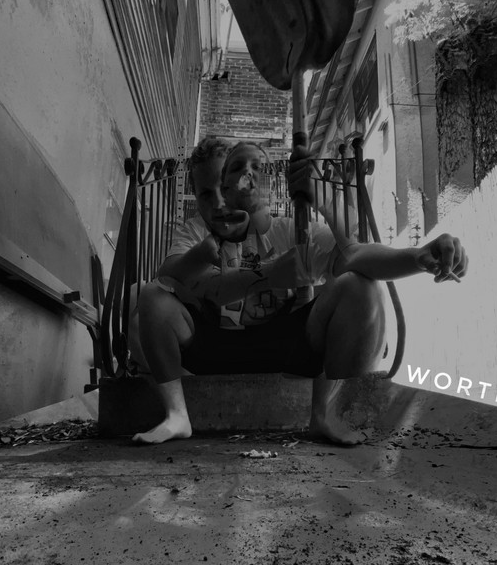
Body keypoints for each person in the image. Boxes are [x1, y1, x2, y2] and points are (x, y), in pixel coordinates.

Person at [131, 139, 468, 445]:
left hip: (286, 348)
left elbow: (356, 256)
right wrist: (266, 273)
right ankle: (177, 415)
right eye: (207, 194)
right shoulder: (194, 233)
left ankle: (327, 414)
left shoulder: (292, 231)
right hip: (212, 347)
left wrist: (417, 257)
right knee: (149, 296)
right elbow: (173, 275)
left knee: (359, 286)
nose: (220, 201)